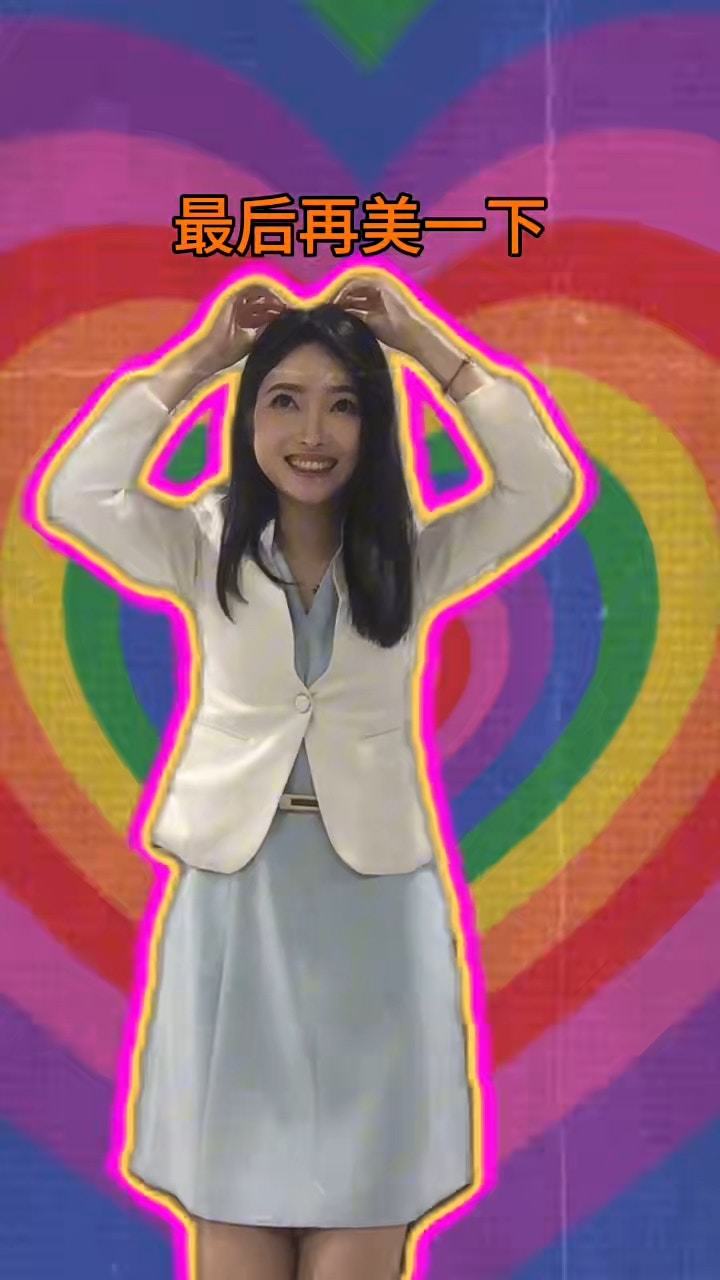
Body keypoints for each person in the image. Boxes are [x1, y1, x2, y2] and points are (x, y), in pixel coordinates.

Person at [39, 272, 576, 1280]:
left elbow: (540, 484)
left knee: (366, 1195)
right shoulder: (200, 544)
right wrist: (202, 358)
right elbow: (77, 496)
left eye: (344, 405)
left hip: (374, 903)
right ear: (248, 417)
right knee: (232, 1197)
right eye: (284, 400)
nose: (313, 433)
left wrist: (426, 344)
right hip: (237, 894)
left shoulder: (414, 556)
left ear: (376, 426)